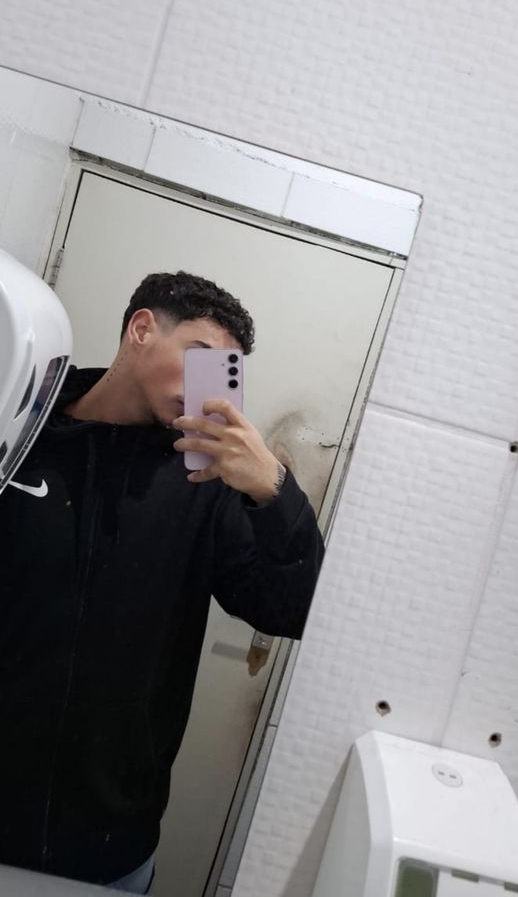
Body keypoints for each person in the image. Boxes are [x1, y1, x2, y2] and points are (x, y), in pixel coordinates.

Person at [0, 270, 323, 892]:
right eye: (199, 357)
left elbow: (295, 609)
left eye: (224, 372)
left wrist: (273, 491)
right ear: (142, 329)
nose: (207, 386)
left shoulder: (204, 482)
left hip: (110, 837)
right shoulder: (23, 428)